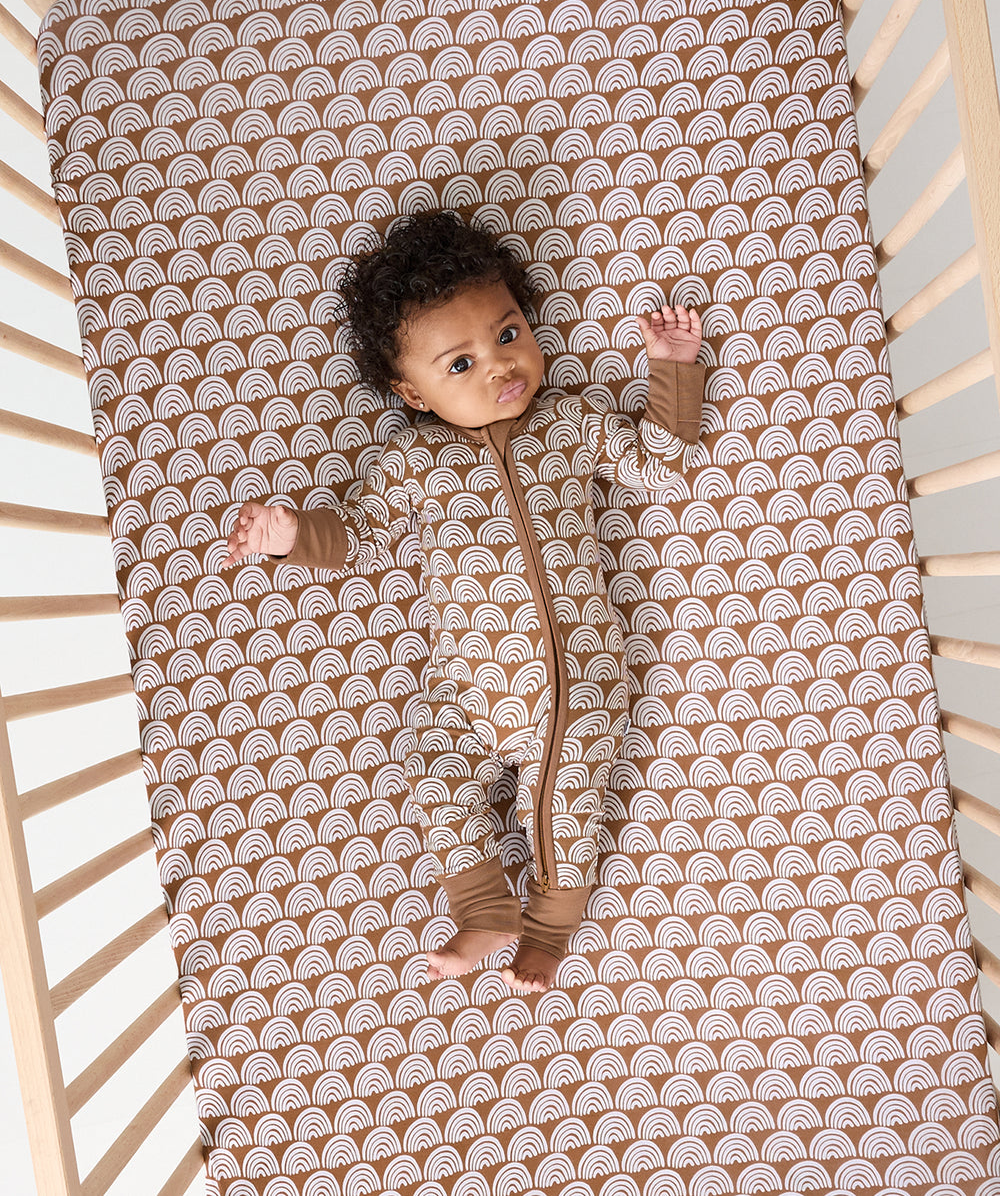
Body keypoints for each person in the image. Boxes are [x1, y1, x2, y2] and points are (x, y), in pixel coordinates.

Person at [222, 210, 705, 992]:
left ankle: (548, 926)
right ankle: (485, 905)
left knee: (567, 798)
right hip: (467, 691)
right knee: (425, 761)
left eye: (508, 335)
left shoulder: (569, 421)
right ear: (410, 392)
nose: (498, 367)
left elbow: (658, 462)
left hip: (578, 680)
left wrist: (674, 367)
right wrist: (288, 534)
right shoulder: (413, 461)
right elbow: (361, 536)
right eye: (461, 363)